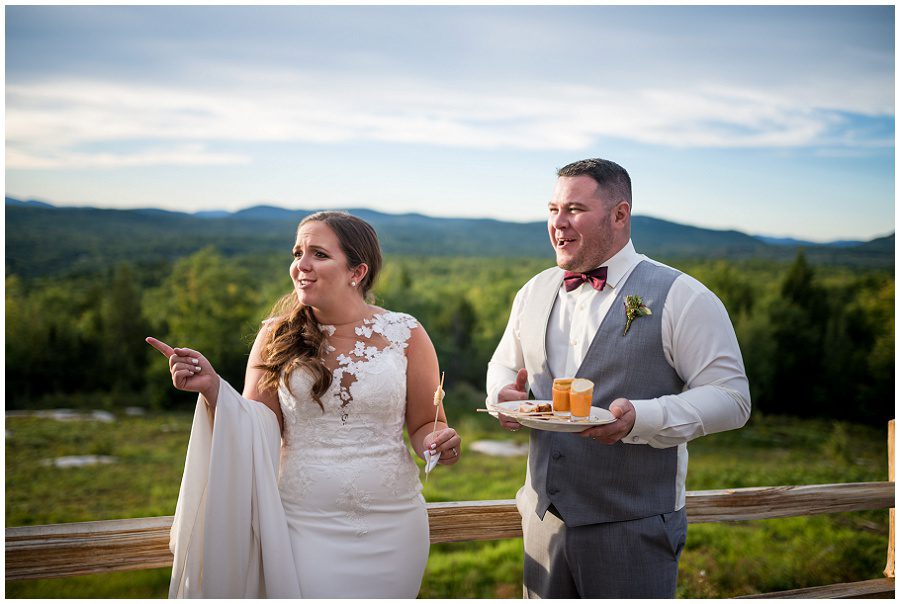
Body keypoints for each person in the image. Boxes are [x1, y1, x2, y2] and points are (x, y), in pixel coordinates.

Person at [148, 210, 461, 598]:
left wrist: (438, 440)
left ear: (357, 271)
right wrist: (214, 390)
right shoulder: (275, 335)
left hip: (396, 526)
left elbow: (424, 424)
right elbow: (255, 423)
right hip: (303, 525)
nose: (301, 266)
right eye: (298, 253)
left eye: (318, 254)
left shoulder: (406, 333)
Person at [486, 158, 751, 598]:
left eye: (573, 209)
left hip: (633, 529)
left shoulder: (682, 296)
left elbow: (733, 398)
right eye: (552, 210)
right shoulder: (534, 291)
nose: (558, 223)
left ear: (620, 215)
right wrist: (503, 394)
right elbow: (501, 364)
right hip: (542, 521)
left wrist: (640, 419)